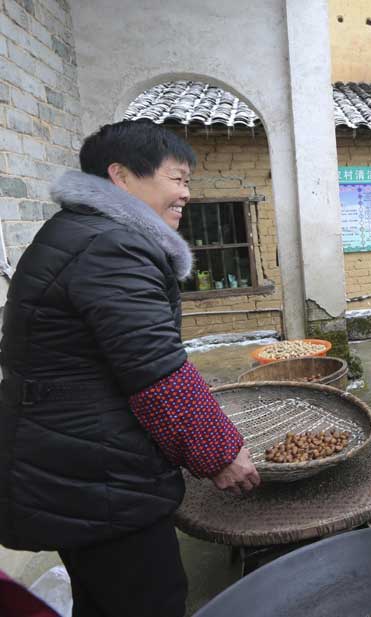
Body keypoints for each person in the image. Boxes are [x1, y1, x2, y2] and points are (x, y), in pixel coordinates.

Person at [0, 120, 260, 617]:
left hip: (70, 463)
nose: (186, 193)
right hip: (98, 478)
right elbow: (155, 368)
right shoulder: (110, 245)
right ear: (121, 177)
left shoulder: (81, 232)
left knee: (102, 601)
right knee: (148, 601)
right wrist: (219, 452)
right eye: (177, 178)